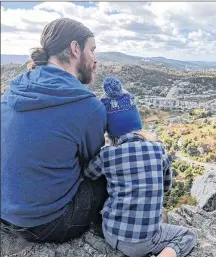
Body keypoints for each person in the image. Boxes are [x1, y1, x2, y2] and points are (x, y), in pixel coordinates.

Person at [0, 18, 108, 243]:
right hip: (45, 224)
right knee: (116, 172)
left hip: (4, 213)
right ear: (75, 48)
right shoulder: (87, 106)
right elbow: (93, 166)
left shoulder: (15, 88)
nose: (96, 59)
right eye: (93, 50)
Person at [84, 77, 197, 257]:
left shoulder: (108, 155)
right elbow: (167, 187)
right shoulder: (158, 149)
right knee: (188, 235)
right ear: (137, 122)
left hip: (111, 234)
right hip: (144, 243)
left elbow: (88, 173)